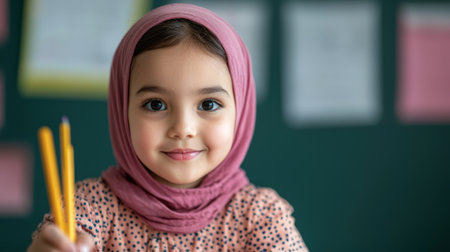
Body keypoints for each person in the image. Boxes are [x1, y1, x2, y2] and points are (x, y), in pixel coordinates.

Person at [27, 3, 308, 251]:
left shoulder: (259, 217)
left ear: (242, 110)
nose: (183, 128)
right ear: (122, 111)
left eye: (208, 105)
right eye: (155, 105)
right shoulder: (89, 208)